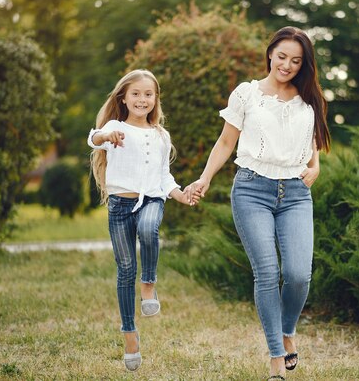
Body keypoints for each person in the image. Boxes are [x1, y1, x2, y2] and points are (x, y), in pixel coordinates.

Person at [188, 26, 331, 380]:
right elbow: (225, 143)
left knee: (298, 275)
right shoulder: (247, 95)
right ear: (270, 54)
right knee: (267, 273)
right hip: (252, 190)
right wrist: (204, 178)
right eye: (282, 56)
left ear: (304, 64)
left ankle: (287, 330)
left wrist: (315, 166)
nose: (287, 65)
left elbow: (312, 139)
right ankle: (275, 357)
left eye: (296, 60)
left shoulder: (308, 96)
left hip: (296, 194)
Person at [88, 69, 198, 371]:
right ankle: (129, 333)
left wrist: (180, 195)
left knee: (150, 229)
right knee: (124, 270)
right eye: (135, 93)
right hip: (120, 206)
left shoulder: (161, 135)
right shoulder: (115, 127)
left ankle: (149, 283)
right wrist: (106, 135)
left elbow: (164, 177)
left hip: (151, 198)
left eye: (148, 94)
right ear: (123, 97)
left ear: (155, 99)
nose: (142, 99)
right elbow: (93, 138)